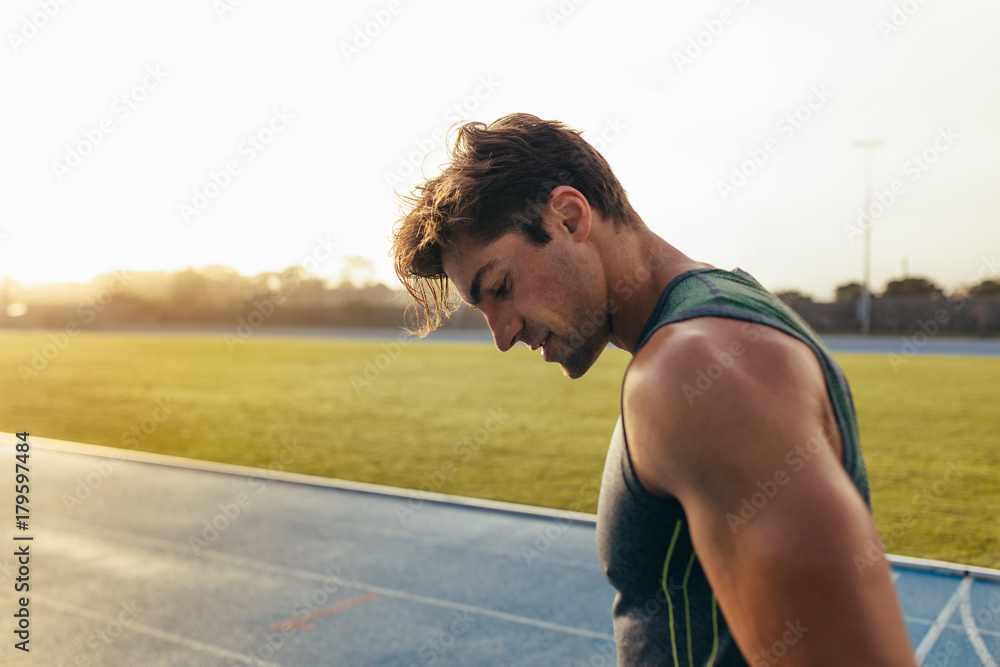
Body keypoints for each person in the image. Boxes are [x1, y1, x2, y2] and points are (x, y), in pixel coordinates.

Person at [391, 113, 917, 666]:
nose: (502, 335)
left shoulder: (694, 370)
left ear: (569, 218)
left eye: (500, 288)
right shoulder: (718, 326)